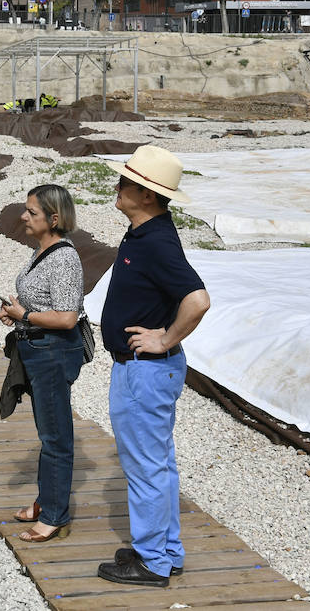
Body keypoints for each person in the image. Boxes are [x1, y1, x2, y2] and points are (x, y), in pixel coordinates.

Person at [95, 145, 211, 587]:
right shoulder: (145, 231)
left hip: (145, 372)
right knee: (158, 464)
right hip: (145, 372)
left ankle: (151, 562)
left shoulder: (158, 240)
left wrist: (164, 338)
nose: (118, 186)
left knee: (146, 468)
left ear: (147, 195)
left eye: (127, 182)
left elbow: (198, 301)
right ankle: (165, 551)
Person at [0, 184, 86, 543]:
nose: (23, 217)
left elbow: (67, 318)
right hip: (37, 348)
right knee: (46, 432)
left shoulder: (64, 258)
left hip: (52, 353)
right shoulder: (42, 251)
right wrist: (16, 314)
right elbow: (44, 304)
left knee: (55, 437)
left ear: (54, 218)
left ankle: (54, 515)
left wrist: (26, 314)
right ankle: (45, 500)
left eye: (31, 212)